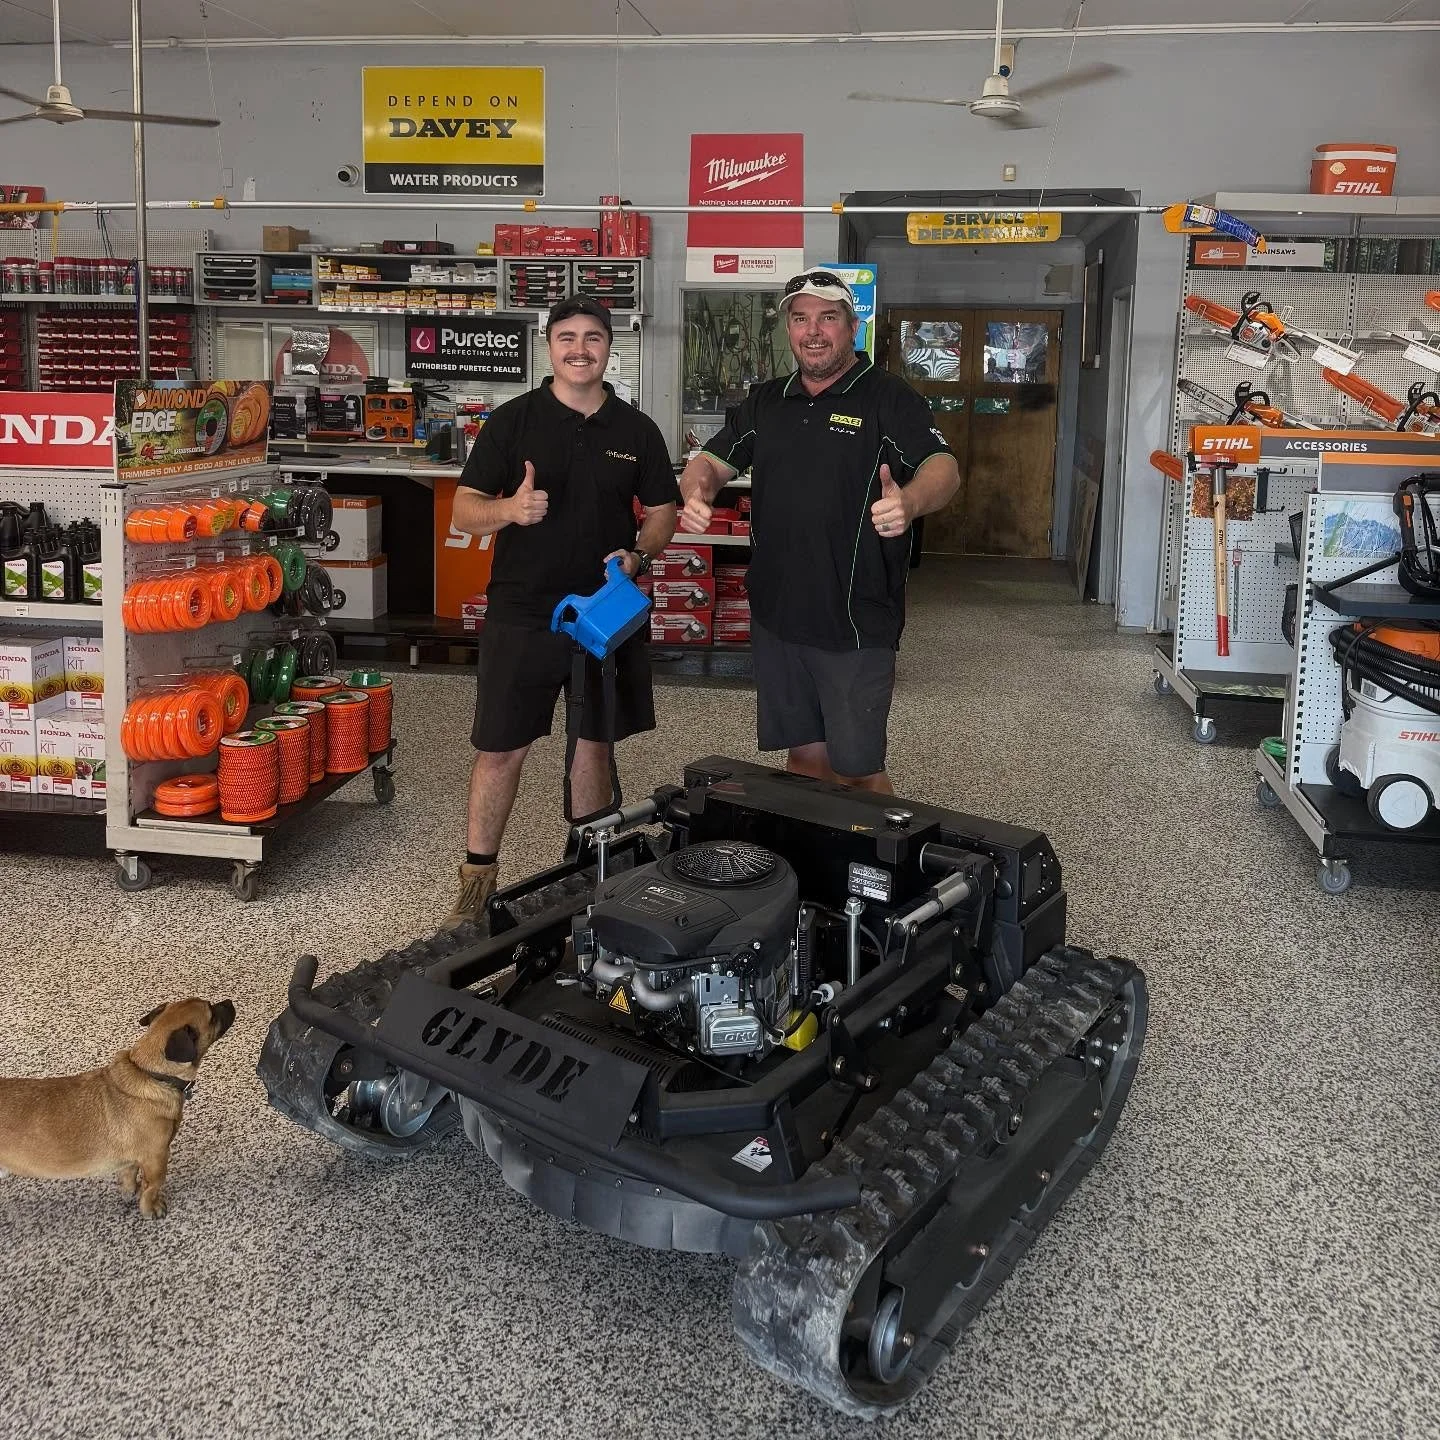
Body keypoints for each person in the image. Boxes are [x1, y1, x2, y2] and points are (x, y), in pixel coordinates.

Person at [443, 294, 678, 929]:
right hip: (522, 610)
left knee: (594, 744)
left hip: (605, 610)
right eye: (567, 336)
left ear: (610, 348)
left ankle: (590, 875)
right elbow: (464, 508)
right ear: (549, 346)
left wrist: (639, 553)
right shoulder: (513, 422)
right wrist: (509, 513)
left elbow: (662, 511)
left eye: (593, 337)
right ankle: (474, 884)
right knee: (500, 746)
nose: (580, 348)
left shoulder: (637, 431)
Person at [678, 269, 960, 795]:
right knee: (805, 760)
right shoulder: (766, 401)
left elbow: (943, 467)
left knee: (857, 770)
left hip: (854, 617)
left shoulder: (887, 397)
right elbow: (711, 461)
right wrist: (698, 492)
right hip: (779, 614)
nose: (814, 330)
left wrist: (910, 502)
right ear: (787, 329)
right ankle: (819, 871)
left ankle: (877, 874)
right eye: (801, 318)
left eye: (828, 317)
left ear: (851, 326)